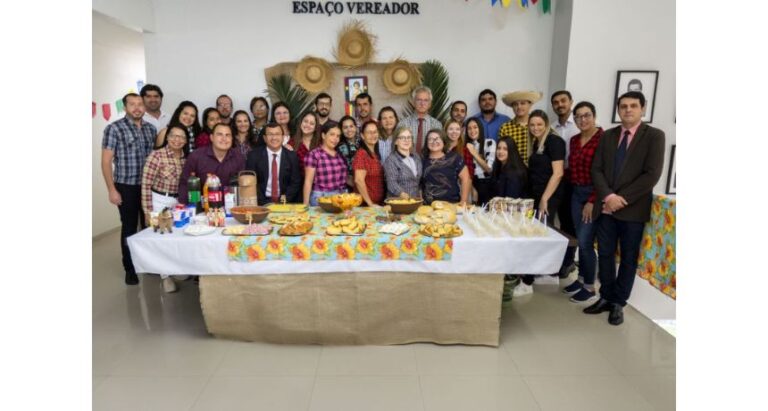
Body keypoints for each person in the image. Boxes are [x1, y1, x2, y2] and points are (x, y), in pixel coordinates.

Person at [584, 91, 665, 326]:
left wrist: (621, 198)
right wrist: (608, 196)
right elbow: (596, 169)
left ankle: (619, 302)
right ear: (618, 109)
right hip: (607, 208)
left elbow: (652, 174)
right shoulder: (608, 136)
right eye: (624, 106)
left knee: (629, 258)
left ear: (643, 109)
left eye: (633, 106)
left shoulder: (654, 136)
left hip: (633, 209)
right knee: (606, 254)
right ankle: (606, 296)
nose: (628, 110)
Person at [100, 93, 156, 285]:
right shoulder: (114, 128)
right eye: (132, 104)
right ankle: (130, 268)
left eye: (140, 104)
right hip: (126, 186)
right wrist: (111, 189)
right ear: (125, 107)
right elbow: (106, 161)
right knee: (130, 228)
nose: (137, 108)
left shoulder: (150, 129)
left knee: (150, 226)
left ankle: (149, 265)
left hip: (148, 187)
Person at [514, 110, 567, 297]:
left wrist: (544, 199)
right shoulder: (537, 142)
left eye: (539, 124)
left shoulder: (554, 141)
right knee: (538, 234)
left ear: (546, 124)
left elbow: (558, 173)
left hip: (549, 196)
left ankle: (527, 283)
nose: (535, 128)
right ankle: (547, 274)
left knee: (536, 237)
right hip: (537, 195)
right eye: (532, 125)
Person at [561, 101, 604, 303]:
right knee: (579, 238)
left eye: (586, 115)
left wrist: (593, 200)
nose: (582, 119)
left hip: (592, 194)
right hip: (576, 192)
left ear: (594, 116)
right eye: (578, 116)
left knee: (586, 242)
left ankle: (590, 286)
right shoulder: (575, 140)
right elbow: (571, 168)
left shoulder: (603, 139)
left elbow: (604, 174)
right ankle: (580, 279)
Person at [140, 125, 188, 293]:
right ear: (167, 137)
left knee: (176, 237)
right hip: (159, 200)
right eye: (174, 136)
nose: (177, 140)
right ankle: (165, 276)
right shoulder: (157, 155)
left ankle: (176, 270)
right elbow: (145, 184)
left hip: (177, 201)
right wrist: (147, 211)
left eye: (181, 137)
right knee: (160, 238)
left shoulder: (184, 158)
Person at [178, 123, 246, 204]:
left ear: (232, 139)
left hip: (231, 208)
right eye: (219, 134)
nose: (224, 138)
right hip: (202, 208)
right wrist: (185, 207)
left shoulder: (238, 157)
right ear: (212, 138)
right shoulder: (196, 156)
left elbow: (243, 186)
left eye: (227, 135)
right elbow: (185, 183)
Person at [551, 90, 579, 277]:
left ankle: (568, 262)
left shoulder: (579, 125)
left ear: (570, 102)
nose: (560, 104)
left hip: (575, 179)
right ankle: (558, 261)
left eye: (563, 101)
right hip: (557, 178)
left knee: (570, 223)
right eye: (556, 102)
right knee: (557, 221)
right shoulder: (552, 127)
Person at [245, 122, 303, 205]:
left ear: (283, 137)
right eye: (270, 134)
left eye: (277, 134)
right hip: (260, 203)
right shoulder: (253, 156)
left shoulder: (292, 156)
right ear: (264, 138)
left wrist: (284, 200)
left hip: (285, 203)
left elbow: (295, 182)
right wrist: (264, 202)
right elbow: (251, 182)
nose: (274, 137)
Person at [303, 122, 348, 206]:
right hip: (321, 198)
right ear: (323, 135)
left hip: (341, 198)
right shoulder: (314, 154)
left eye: (338, 136)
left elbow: (344, 179)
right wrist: (305, 204)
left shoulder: (340, 156)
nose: (335, 139)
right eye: (332, 134)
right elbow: (308, 182)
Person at [421, 129, 471, 205]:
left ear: (443, 141)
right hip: (429, 206)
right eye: (430, 139)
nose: (434, 141)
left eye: (437, 138)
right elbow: (419, 185)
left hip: (452, 204)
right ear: (426, 143)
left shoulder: (455, 157)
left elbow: (466, 179)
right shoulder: (422, 161)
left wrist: (464, 201)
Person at [499, 90, 542, 164]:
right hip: (513, 171)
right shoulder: (505, 128)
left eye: (523, 103)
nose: (519, 107)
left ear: (530, 105)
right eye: (515, 104)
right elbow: (501, 154)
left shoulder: (539, 125)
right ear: (512, 107)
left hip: (536, 171)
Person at [398, 86, 443, 154]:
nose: (422, 103)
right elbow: (398, 147)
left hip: (429, 162)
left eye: (426, 100)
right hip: (408, 161)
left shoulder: (436, 125)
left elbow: (439, 149)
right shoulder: (403, 124)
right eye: (419, 100)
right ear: (413, 102)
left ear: (430, 104)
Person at [384, 127, 423, 199]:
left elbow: (419, 182)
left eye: (409, 137)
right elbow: (392, 184)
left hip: (415, 202)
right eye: (402, 138)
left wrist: (419, 199)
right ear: (396, 141)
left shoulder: (416, 157)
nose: (406, 140)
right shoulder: (391, 160)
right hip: (398, 204)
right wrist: (404, 196)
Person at [353, 120, 385, 206]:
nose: (373, 135)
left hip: (375, 204)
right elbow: (359, 180)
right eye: (369, 132)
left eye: (375, 132)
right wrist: (370, 203)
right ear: (362, 136)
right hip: (365, 205)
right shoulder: (361, 154)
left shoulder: (374, 154)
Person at [464, 117, 494, 205]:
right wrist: (472, 187)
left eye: (475, 127)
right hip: (470, 184)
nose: (472, 130)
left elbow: (489, 169)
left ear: (480, 128)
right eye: (469, 128)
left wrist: (474, 152)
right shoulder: (465, 146)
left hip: (486, 184)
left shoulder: (489, 143)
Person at [288, 111, 320, 182]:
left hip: (318, 184)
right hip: (297, 184)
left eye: (312, 123)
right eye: (305, 121)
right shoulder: (292, 143)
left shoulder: (320, 144)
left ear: (315, 128)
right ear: (301, 123)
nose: (307, 125)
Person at [337, 115, 360, 191]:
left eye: (351, 126)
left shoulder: (361, 143)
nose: (349, 130)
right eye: (345, 127)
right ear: (341, 130)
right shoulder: (342, 147)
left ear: (356, 128)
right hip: (349, 188)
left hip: (362, 184)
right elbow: (344, 173)